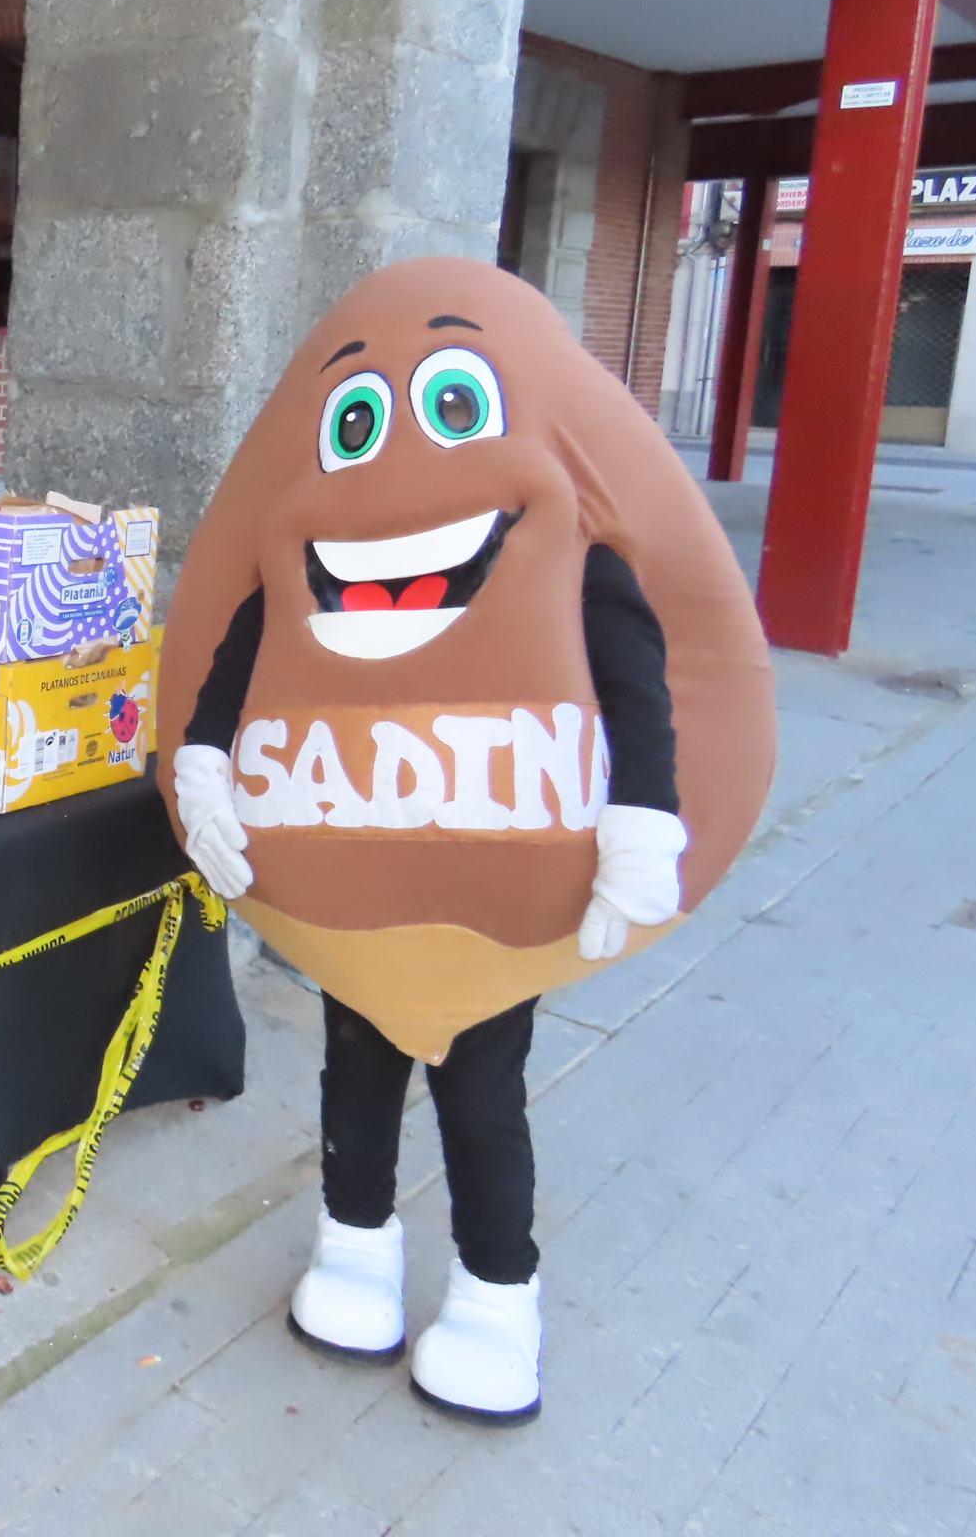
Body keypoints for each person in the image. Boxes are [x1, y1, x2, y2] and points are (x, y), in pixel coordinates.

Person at [156, 258, 774, 1423]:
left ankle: (497, 1294)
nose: (400, 460)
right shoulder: (298, 578)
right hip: (351, 915)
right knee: (353, 1079)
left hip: (494, 914)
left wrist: (646, 816)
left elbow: (641, 690)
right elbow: (233, 658)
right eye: (358, 421)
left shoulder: (575, 561)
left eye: (449, 407)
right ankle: (353, 1248)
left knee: (481, 1101)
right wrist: (201, 764)